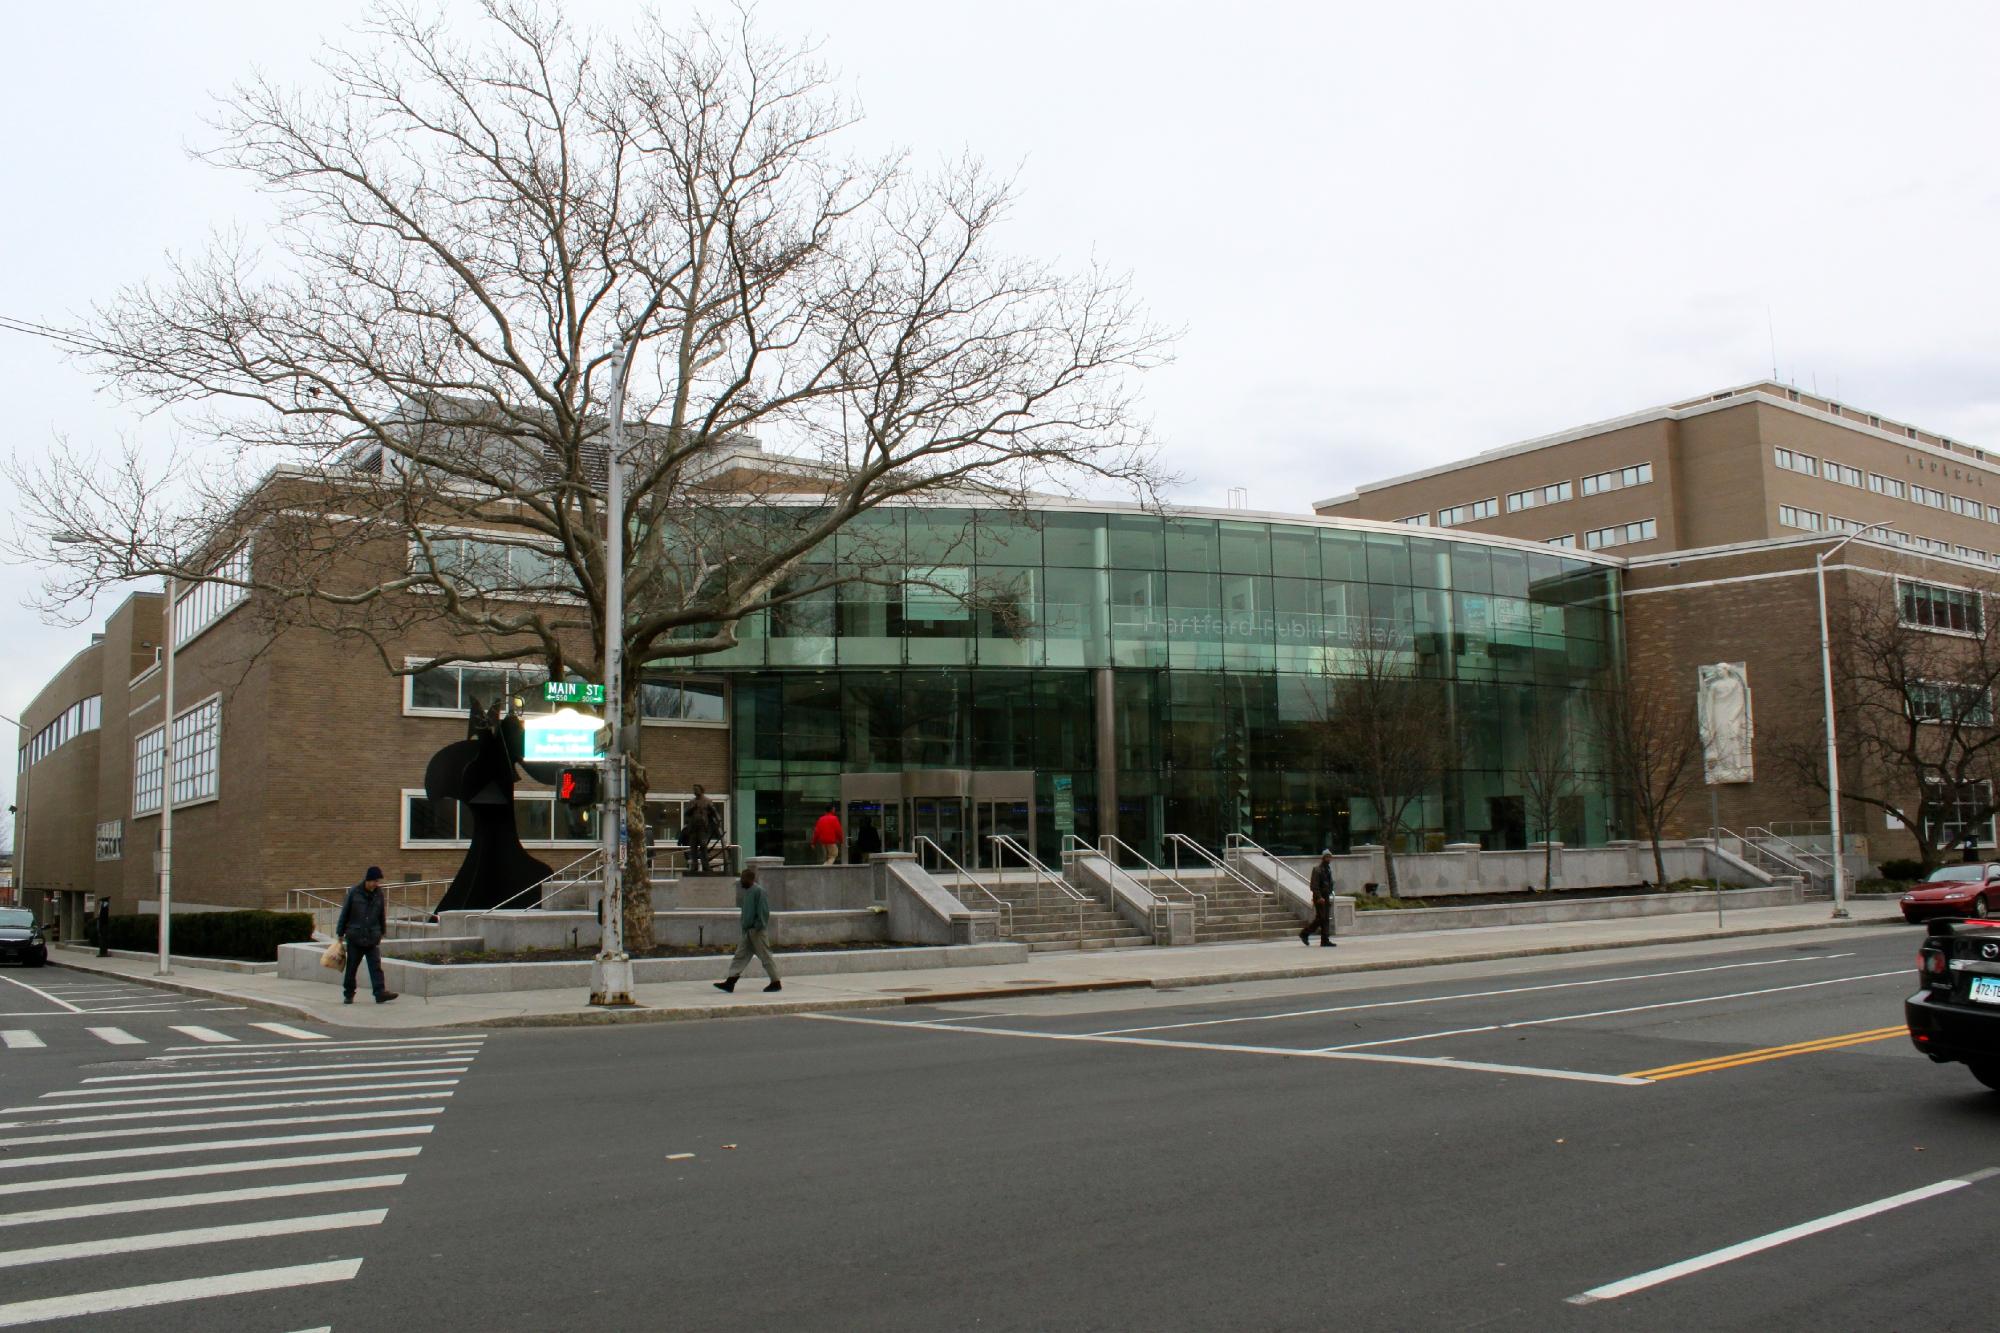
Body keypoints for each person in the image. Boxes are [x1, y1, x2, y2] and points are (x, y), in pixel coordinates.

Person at [336, 866, 399, 1004]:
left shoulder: (379, 894)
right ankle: (349, 994)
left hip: (372, 937)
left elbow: (381, 913)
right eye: (375, 881)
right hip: (355, 937)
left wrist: (382, 931)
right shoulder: (354, 893)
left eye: (378, 881)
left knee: (376, 966)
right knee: (352, 968)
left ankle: (380, 992)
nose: (377, 884)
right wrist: (340, 932)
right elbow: (345, 913)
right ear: (368, 880)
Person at [714, 866, 780, 993]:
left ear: (749, 879)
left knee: (765, 956)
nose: (741, 882)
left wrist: (757, 926)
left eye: (743, 879)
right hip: (748, 932)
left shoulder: (759, 892)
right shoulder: (748, 892)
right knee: (740, 956)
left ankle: (776, 982)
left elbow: (763, 912)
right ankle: (730, 982)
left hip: (757, 932)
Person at [1302, 850, 1338, 947]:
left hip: (1326, 896)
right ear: (1323, 858)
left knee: (1325, 918)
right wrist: (1319, 897)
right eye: (1327, 857)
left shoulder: (1328, 870)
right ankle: (1305, 933)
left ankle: (1325, 940)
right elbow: (1314, 886)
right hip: (1319, 897)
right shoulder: (1317, 869)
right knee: (1321, 918)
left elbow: (1330, 883)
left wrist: (1329, 892)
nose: (1328, 859)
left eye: (1330, 857)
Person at [686, 785, 721, 874]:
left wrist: (718, 819)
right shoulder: (692, 802)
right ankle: (694, 867)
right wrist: (692, 808)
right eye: (694, 789)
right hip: (693, 828)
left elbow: (714, 811)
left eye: (696, 789)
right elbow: (687, 813)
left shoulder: (707, 801)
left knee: (703, 845)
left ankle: (706, 866)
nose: (695, 791)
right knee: (693, 848)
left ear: (701, 790)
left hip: (702, 827)